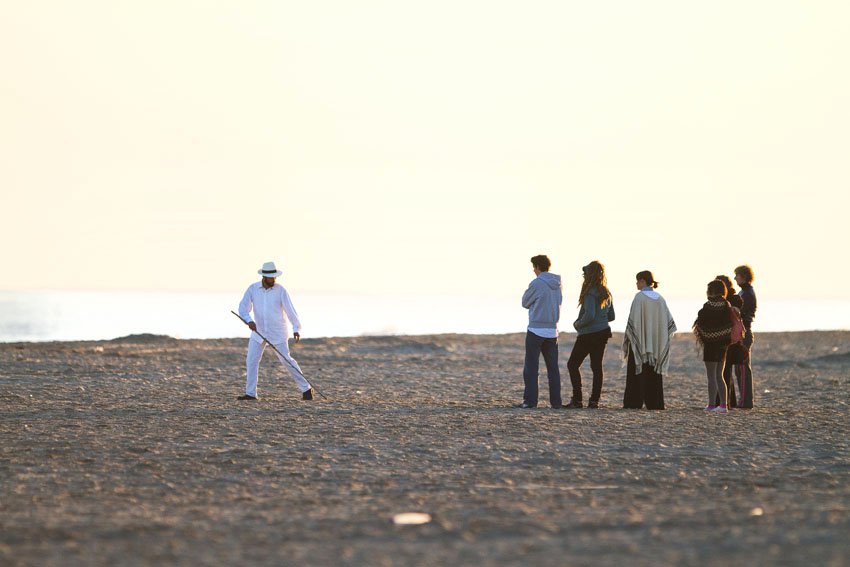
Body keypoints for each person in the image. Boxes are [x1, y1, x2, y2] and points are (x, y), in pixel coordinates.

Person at [237, 261, 314, 401]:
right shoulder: (253, 289)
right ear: (264, 277)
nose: (273, 279)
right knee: (251, 360)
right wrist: (249, 321)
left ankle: (306, 389)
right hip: (258, 332)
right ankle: (250, 394)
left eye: (274, 277)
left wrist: (296, 328)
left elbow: (291, 311)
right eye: (270, 277)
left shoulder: (281, 290)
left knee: (286, 360)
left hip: (278, 332)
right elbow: (243, 308)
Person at [514, 255, 563, 409]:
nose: (533, 270)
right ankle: (556, 402)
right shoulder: (558, 284)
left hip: (536, 329)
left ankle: (530, 401)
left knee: (531, 368)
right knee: (553, 369)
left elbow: (525, 302)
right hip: (552, 330)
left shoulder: (537, 283)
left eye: (533, 267)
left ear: (537, 267)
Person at [623, 270, 677, 410]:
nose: (636, 283)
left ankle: (634, 402)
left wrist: (629, 338)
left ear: (642, 281)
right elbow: (668, 323)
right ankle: (655, 403)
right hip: (656, 342)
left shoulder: (639, 297)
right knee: (654, 373)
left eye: (637, 281)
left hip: (640, 341)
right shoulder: (660, 298)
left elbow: (633, 321)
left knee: (637, 371)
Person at [565, 261, 615, 409]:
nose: (583, 276)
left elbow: (590, 315)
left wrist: (577, 324)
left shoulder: (589, 292)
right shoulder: (606, 292)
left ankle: (577, 399)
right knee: (596, 367)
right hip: (603, 333)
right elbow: (611, 316)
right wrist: (601, 319)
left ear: (589, 275)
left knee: (572, 365)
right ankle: (594, 401)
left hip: (588, 335)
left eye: (585, 274)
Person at [693, 280, 734, 413]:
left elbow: (700, 325)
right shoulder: (726, 305)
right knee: (720, 376)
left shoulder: (707, 306)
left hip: (710, 346)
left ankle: (711, 405)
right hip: (723, 345)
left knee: (711, 376)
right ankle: (723, 405)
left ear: (711, 291)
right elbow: (729, 326)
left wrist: (708, 336)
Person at [715, 275, 746, 407]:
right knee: (726, 371)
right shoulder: (735, 298)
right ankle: (729, 401)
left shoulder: (729, 300)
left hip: (728, 339)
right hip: (733, 338)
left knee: (723, 371)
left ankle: (723, 401)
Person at [734, 265, 757, 408]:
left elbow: (741, 313)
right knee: (739, 368)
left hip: (744, 332)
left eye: (737, 275)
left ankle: (746, 402)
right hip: (743, 331)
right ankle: (744, 400)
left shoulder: (747, 293)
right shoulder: (744, 291)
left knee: (742, 369)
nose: (735, 278)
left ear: (743, 276)